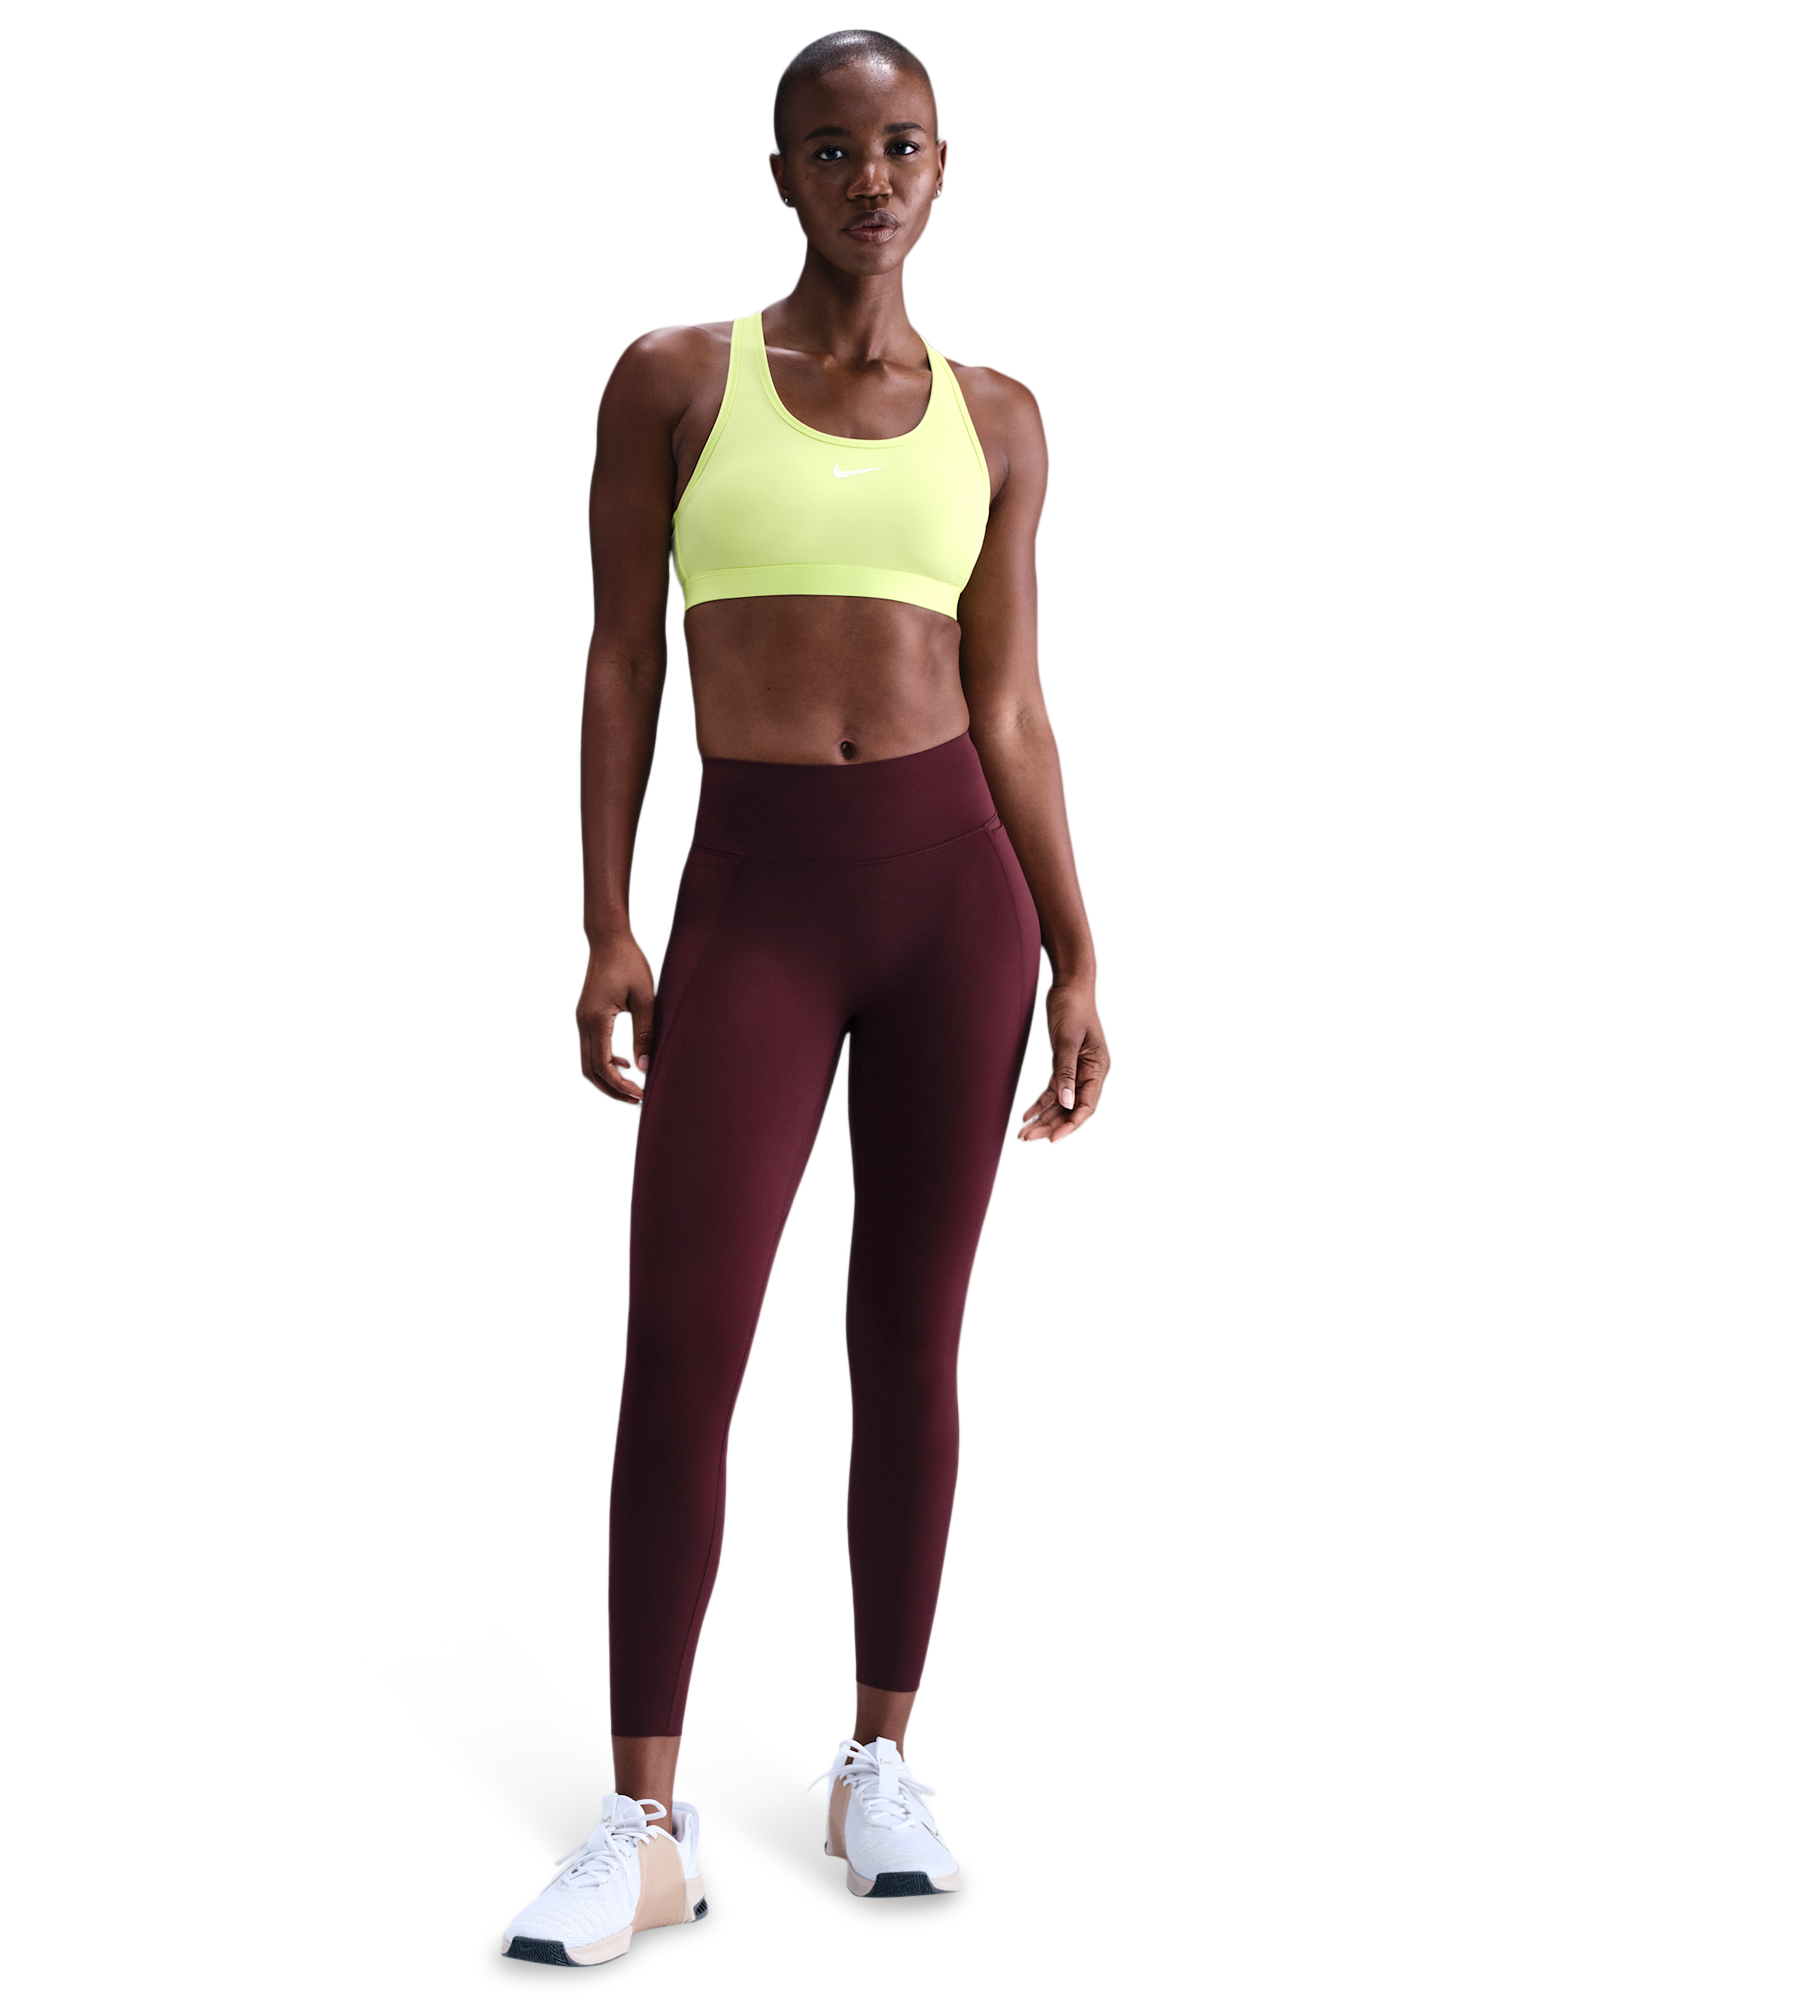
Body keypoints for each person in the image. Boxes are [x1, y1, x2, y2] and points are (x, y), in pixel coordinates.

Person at [501, 29, 1109, 1966]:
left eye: (902, 143)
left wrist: (1079, 945)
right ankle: (644, 1823)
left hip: (954, 905)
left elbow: (1010, 702)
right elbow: (621, 661)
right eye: (833, 149)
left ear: (944, 167)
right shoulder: (676, 381)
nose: (872, 177)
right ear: (780, 174)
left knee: (906, 1338)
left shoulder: (998, 418)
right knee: (683, 1338)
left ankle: (878, 1763)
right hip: (755, 896)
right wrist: (606, 921)